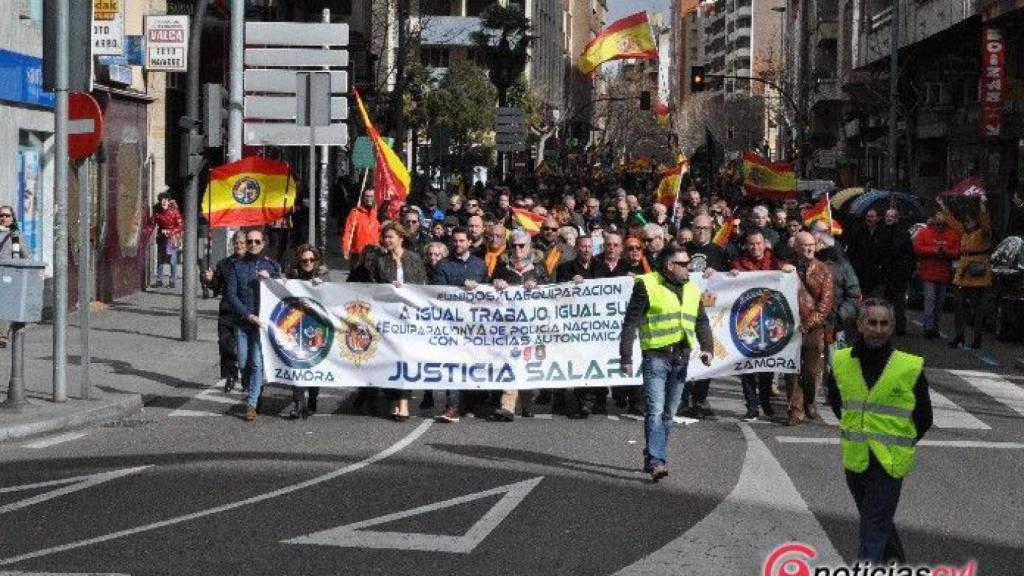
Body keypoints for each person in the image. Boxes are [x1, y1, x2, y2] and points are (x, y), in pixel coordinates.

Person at [827, 298, 932, 564]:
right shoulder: (840, 361)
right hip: (856, 459)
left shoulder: (908, 367)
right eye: (872, 323)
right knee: (876, 520)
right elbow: (837, 402)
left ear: (892, 327)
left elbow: (924, 417)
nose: (878, 329)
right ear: (860, 325)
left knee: (871, 530)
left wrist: (901, 441)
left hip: (888, 463)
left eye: (884, 323)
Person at [619, 246, 713, 482]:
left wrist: (707, 347)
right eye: (683, 264)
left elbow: (701, 320)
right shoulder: (647, 284)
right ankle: (657, 461)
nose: (688, 268)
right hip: (656, 358)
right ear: (669, 265)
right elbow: (630, 323)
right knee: (655, 411)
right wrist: (626, 357)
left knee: (669, 414)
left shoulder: (692, 288)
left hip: (681, 358)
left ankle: (652, 454)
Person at [370, 223, 428, 421]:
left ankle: (404, 402)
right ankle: (394, 400)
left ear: (401, 237)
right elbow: (373, 287)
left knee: (406, 358)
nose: (387, 240)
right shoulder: (380, 261)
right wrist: (388, 287)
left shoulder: (414, 259)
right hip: (388, 316)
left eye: (391, 237)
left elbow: (422, 285)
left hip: (409, 317)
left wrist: (407, 289)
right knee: (391, 358)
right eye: (385, 237)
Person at [490, 230, 550, 421]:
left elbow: (552, 292)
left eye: (521, 245)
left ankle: (526, 402)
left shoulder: (539, 268)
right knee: (512, 361)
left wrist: (538, 285)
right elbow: (489, 290)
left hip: (533, 327)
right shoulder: (502, 266)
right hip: (509, 327)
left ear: (529, 246)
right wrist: (496, 283)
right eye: (514, 245)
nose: (517, 249)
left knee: (528, 362)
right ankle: (507, 406)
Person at [431, 228, 489, 423]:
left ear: (469, 243)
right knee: (454, 364)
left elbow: (487, 292)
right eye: (455, 241)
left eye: (462, 241)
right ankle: (452, 407)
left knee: (472, 364)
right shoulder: (442, 265)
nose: (458, 244)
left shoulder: (480, 265)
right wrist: (462, 283)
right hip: (452, 324)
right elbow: (439, 291)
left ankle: (470, 405)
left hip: (475, 325)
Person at [224, 229, 282, 421]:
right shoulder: (236, 266)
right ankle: (253, 390)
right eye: (250, 241)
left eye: (257, 241)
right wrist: (247, 315)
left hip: (261, 324)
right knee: (243, 362)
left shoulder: (272, 266)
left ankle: (251, 403)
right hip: (243, 321)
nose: (253, 244)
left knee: (256, 363)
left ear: (263, 243)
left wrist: (271, 279)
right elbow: (231, 295)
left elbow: (283, 291)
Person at [678, 213, 730, 419]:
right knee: (684, 355)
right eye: (697, 228)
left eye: (705, 228)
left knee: (705, 355)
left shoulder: (719, 252)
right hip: (685, 310)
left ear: (711, 230)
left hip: (710, 313)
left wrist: (720, 273)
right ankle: (682, 399)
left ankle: (699, 401)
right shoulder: (683, 251)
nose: (700, 232)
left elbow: (730, 278)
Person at [731, 230, 786, 421]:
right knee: (746, 366)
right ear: (746, 245)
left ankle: (765, 401)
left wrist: (787, 271)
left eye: (758, 243)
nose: (755, 247)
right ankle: (752, 406)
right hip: (747, 321)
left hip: (768, 319)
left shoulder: (775, 263)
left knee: (765, 365)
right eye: (751, 244)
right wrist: (732, 276)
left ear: (765, 244)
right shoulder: (738, 264)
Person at [785, 231, 833, 426]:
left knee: (810, 372)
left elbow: (825, 305)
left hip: (813, 328)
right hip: (790, 326)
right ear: (796, 247)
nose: (809, 248)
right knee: (792, 370)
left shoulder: (823, 270)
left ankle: (810, 399)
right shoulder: (788, 267)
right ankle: (795, 410)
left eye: (812, 244)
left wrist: (808, 324)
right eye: (805, 245)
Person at [556, 234, 604, 418]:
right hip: (573, 325)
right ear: (576, 248)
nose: (586, 250)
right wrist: (570, 283)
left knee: (592, 361)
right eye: (582, 246)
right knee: (575, 361)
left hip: (595, 326)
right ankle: (568, 399)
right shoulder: (565, 268)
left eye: (589, 247)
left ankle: (588, 402)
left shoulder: (601, 267)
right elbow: (558, 294)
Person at [939, 195, 993, 349]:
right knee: (958, 304)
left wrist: (983, 206)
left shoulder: (983, 233)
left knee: (976, 307)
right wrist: (943, 206)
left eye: (970, 219)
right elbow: (952, 222)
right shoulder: (963, 232)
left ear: (975, 220)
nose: (968, 222)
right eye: (966, 220)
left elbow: (986, 223)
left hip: (977, 272)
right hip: (963, 273)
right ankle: (959, 335)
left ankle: (977, 338)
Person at [284, 244, 329, 419]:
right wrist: (283, 283)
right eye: (304, 260)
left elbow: (333, 296)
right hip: (296, 325)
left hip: (317, 325)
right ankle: (298, 402)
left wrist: (323, 286)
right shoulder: (292, 273)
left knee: (312, 363)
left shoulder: (324, 274)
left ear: (316, 260)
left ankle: (313, 398)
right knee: (296, 363)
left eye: (311, 260)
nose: (308, 263)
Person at [203, 231, 247, 392]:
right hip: (227, 310)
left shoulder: (253, 263)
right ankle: (230, 376)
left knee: (245, 346)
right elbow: (217, 287)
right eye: (236, 242)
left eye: (242, 242)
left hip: (247, 311)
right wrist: (209, 279)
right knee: (225, 344)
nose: (239, 245)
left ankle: (247, 378)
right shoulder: (224, 264)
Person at [912, 210, 960, 338]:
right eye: (938, 216)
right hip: (928, 273)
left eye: (943, 216)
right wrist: (933, 250)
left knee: (939, 303)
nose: (940, 219)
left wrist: (946, 252)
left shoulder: (952, 234)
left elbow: (957, 251)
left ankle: (935, 327)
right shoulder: (925, 232)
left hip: (943, 274)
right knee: (930, 299)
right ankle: (928, 327)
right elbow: (918, 248)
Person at [0, 205, 32, 348]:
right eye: (1, 215)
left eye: (7, 216)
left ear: (12, 218)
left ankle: (2, 336)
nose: (3, 218)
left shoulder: (16, 235)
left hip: (9, 275)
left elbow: (26, 255)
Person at [150, 192, 183, 289]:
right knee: (160, 258)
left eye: (165, 201)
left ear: (168, 202)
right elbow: (151, 225)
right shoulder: (157, 212)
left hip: (172, 238)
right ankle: (159, 280)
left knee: (172, 259)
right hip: (162, 237)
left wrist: (170, 231)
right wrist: (146, 234)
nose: (163, 203)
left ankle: (172, 280)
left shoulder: (174, 212)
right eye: (161, 201)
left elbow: (181, 225)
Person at [341, 188, 381, 265]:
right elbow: (348, 231)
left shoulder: (377, 213)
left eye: (371, 196)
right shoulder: (355, 212)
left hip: (374, 252)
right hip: (358, 252)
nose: (369, 199)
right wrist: (346, 247)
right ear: (362, 198)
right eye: (367, 196)